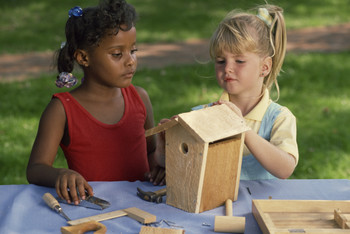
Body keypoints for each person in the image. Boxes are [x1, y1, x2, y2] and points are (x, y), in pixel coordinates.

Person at [26, 0, 164, 205]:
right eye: (117, 54)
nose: (130, 61)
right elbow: (36, 168)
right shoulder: (62, 110)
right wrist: (60, 174)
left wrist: (158, 169)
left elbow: (150, 150)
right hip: (92, 209)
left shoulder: (140, 98)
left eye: (133, 51)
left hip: (141, 206)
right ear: (83, 57)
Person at [200, 4, 299, 180]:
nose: (228, 68)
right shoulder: (206, 114)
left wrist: (241, 128)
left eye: (239, 61)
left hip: (264, 206)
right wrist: (166, 146)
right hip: (216, 207)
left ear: (265, 67)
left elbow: (285, 169)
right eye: (221, 61)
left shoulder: (279, 117)